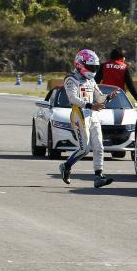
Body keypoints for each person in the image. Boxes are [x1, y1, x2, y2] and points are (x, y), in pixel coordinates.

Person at [59, 49, 114, 188]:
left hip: (93, 114)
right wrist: (90, 105)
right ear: (80, 64)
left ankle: (98, 176)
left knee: (99, 146)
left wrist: (108, 97)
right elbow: (72, 98)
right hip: (79, 114)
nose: (93, 70)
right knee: (85, 149)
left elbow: (99, 97)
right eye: (90, 67)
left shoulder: (91, 80)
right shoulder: (71, 78)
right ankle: (66, 165)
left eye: (95, 67)